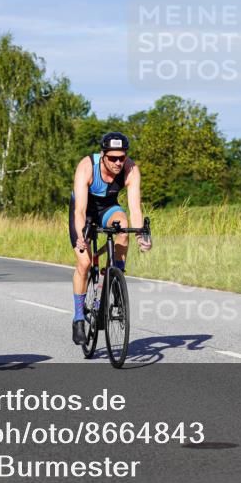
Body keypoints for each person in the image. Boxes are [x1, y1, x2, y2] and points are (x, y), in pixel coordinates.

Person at [69, 131, 151, 345]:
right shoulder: (87, 166)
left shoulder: (131, 169)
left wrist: (142, 234)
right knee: (85, 263)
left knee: (123, 226)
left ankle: (116, 274)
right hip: (84, 211)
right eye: (112, 158)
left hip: (108, 209)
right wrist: (81, 237)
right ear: (102, 154)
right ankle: (78, 319)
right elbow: (79, 210)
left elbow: (134, 208)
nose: (117, 162)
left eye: (121, 158)